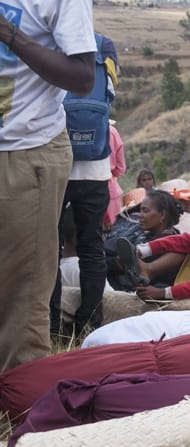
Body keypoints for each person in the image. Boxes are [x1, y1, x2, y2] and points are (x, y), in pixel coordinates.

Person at [0, 2, 96, 371]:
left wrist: (9, 34)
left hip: (25, 151)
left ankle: (21, 413)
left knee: (22, 294)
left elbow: (83, 77)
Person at [53, 31, 119, 333]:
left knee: (49, 249)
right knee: (91, 247)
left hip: (56, 163)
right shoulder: (104, 45)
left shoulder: (49, 39)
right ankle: (89, 324)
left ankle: (51, 325)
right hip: (96, 168)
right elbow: (109, 94)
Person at [105, 190, 182, 292]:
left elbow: (122, 263)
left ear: (162, 215)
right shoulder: (144, 234)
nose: (140, 215)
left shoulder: (165, 243)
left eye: (145, 211)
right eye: (140, 210)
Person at [104, 122, 127, 232]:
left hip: (78, 187)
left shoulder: (74, 126)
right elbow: (120, 168)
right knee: (114, 233)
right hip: (110, 188)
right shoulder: (112, 131)